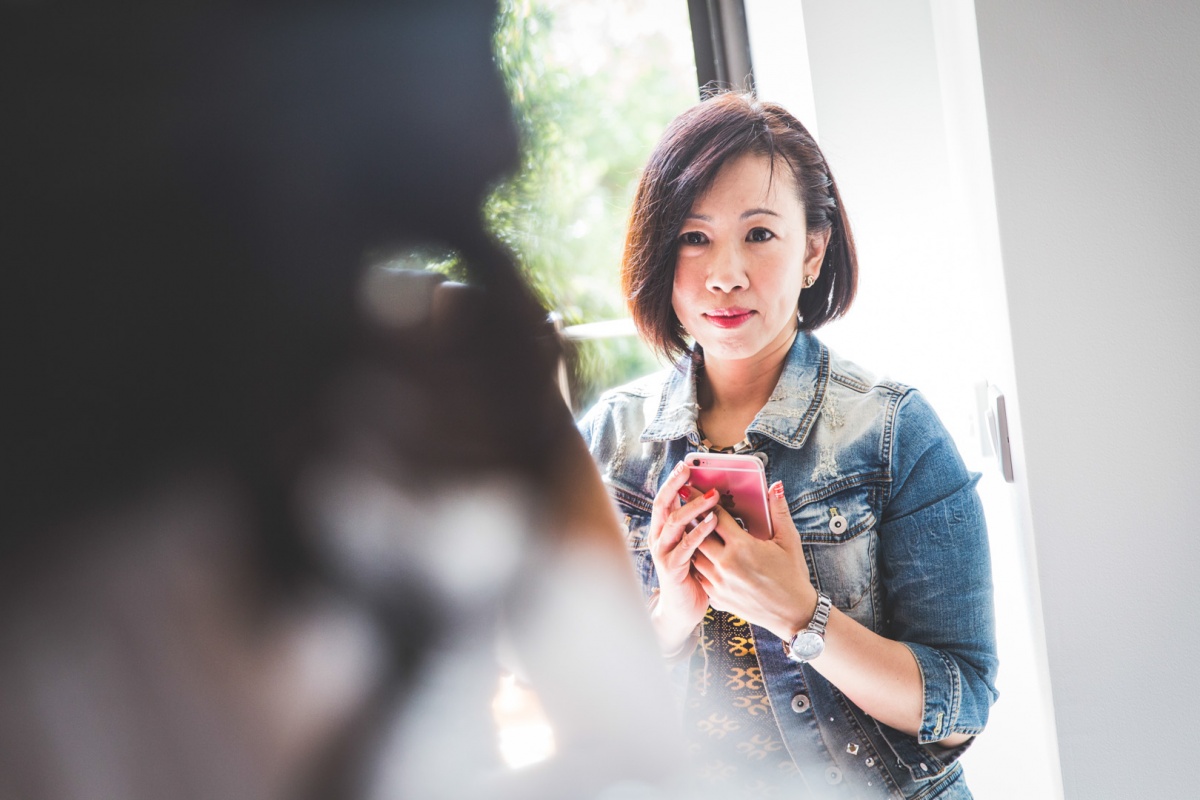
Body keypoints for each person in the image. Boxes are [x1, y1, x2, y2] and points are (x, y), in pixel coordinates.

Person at [579, 92, 999, 799]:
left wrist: (802, 617)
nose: (725, 273)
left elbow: (961, 706)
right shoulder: (608, 442)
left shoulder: (895, 432)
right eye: (693, 236)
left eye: (760, 235)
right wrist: (670, 619)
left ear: (812, 250)